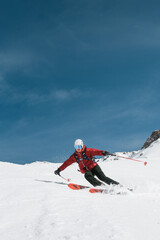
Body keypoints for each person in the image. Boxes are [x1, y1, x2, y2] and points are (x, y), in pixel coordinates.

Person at [54, 139, 119, 187]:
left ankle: (117, 186)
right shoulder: (74, 156)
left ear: (82, 146)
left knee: (102, 177)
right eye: (76, 147)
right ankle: (100, 186)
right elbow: (66, 163)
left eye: (79, 147)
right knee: (87, 175)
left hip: (94, 167)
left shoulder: (88, 151)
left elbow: (96, 151)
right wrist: (59, 170)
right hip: (87, 170)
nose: (78, 149)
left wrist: (103, 152)